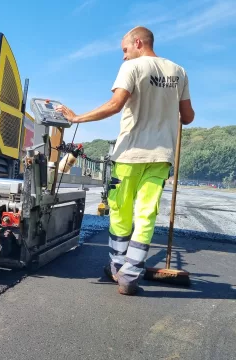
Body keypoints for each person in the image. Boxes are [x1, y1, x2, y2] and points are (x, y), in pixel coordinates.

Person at [55, 26, 195, 295]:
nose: (123, 56)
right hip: (161, 157)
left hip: (129, 154)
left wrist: (76, 118)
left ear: (138, 43)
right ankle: (130, 276)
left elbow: (115, 104)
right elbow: (187, 117)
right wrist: (166, 106)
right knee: (146, 214)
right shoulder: (179, 71)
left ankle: (118, 267)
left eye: (125, 49)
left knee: (120, 211)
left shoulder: (133, 67)